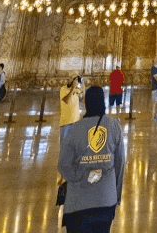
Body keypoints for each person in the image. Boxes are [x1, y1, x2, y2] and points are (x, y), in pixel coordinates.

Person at [59, 85, 125, 233]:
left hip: (78, 203)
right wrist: (116, 197)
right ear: (103, 102)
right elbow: (120, 165)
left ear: (86, 103)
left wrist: (82, 175)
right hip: (106, 200)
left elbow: (64, 165)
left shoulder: (74, 129)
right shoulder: (114, 126)